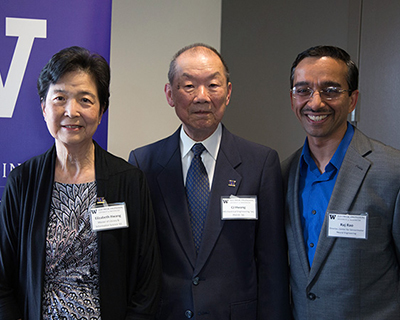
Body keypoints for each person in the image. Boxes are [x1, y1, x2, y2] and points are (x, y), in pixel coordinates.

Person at [128, 43, 290, 319]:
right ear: (170, 94)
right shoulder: (144, 163)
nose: (201, 97)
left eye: (213, 85)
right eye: (189, 86)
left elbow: (272, 264)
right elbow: (137, 260)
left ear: (228, 93)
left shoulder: (260, 163)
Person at [0, 46, 161, 320]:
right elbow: (2, 279)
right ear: (43, 107)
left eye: (85, 100)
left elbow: (147, 281)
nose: (71, 111)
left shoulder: (129, 181)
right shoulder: (22, 182)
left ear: (101, 110)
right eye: (60, 98)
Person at [282, 45, 400, 319]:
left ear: (353, 99)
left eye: (331, 90)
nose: (315, 103)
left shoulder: (391, 172)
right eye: (303, 90)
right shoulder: (283, 174)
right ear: (292, 100)